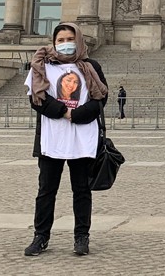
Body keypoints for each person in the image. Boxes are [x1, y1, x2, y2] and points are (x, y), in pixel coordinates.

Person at [24, 22, 109, 257]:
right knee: (46, 190)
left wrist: (77, 115)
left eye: (69, 38)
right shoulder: (41, 66)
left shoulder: (91, 66)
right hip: (52, 140)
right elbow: (36, 100)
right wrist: (64, 112)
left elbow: (100, 98)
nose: (65, 43)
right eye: (60, 39)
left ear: (79, 40)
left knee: (81, 190)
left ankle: (81, 237)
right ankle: (40, 236)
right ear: (53, 42)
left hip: (82, 139)